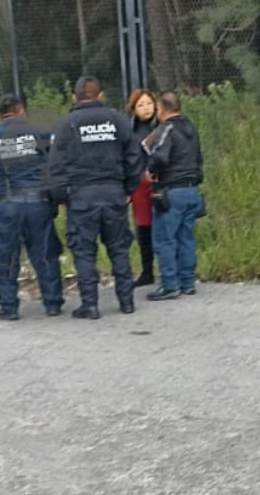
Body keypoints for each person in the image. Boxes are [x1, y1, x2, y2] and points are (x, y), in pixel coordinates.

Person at [49, 75, 144, 319]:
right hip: (113, 193)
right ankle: (127, 301)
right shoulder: (118, 121)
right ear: (100, 96)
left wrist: (62, 198)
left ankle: (90, 305)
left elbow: (56, 167)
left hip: (81, 197)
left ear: (74, 97)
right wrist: (128, 189)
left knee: (84, 251)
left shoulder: (66, 124)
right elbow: (135, 158)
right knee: (119, 248)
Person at [0, 94, 64, 321]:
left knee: (6, 257)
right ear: (22, 110)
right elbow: (55, 171)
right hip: (38, 203)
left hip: (7, 205)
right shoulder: (42, 136)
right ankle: (52, 303)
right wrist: (55, 202)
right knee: (44, 254)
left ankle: (9, 307)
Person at [144, 90, 204, 301]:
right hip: (192, 190)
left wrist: (150, 169)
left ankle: (170, 284)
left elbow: (159, 158)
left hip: (172, 192)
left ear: (161, 109)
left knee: (164, 239)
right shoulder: (191, 128)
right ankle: (188, 282)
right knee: (185, 238)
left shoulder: (166, 129)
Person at [126, 89, 158, 287]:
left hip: (159, 181)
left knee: (163, 226)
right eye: (141, 105)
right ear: (133, 109)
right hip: (139, 184)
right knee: (143, 228)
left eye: (148, 103)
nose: (146, 108)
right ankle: (147, 270)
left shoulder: (162, 125)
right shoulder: (129, 131)